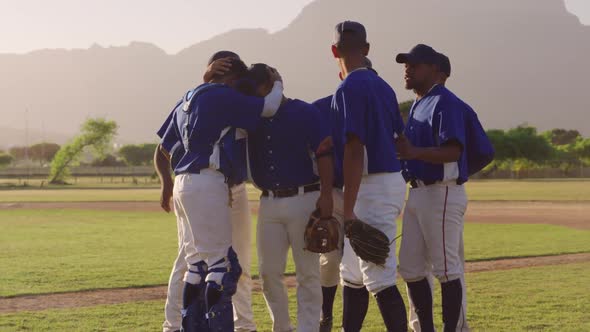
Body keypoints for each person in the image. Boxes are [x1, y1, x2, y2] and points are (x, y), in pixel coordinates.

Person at [157, 52, 283, 331]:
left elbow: (166, 146)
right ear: (229, 78)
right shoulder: (223, 95)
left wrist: (167, 186)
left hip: (191, 183)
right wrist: (277, 82)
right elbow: (270, 106)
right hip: (209, 182)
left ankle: (192, 325)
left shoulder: (190, 97)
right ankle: (201, 326)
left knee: (196, 265)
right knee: (220, 266)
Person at [240, 63, 334, 332]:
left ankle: (308, 328)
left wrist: (326, 195)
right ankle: (282, 327)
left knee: (308, 272)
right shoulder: (252, 114)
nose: (255, 93)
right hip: (268, 202)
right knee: (268, 272)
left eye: (258, 87)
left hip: (305, 197)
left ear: (270, 86)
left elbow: (324, 154)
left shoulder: (304, 111)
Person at [329, 21, 407, 332]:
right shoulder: (384, 87)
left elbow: (353, 147)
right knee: (352, 274)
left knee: (379, 276)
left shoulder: (348, 87)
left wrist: (347, 211)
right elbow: (399, 139)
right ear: (367, 49)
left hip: (370, 185)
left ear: (334, 51)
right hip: (385, 181)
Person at [395, 44, 471, 332]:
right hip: (418, 192)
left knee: (446, 269)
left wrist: (414, 153)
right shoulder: (419, 102)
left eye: (415, 64)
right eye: (406, 64)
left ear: (436, 71)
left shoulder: (444, 101)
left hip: (441, 191)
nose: (408, 68)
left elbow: (453, 151)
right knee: (411, 268)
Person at [311, 55, 374, 332]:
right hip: (335, 191)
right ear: (342, 78)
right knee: (331, 259)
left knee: (362, 263)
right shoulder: (322, 109)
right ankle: (325, 315)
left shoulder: (380, 110)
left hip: (370, 192)